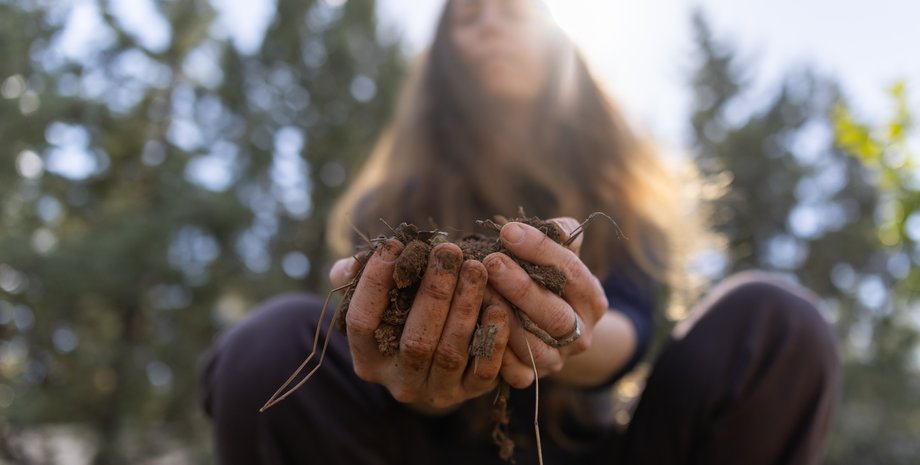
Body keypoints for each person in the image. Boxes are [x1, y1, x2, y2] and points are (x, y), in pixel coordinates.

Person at [200, 0, 840, 464]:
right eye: (469, 16)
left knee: (775, 324)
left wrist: (566, 334)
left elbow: (631, 327)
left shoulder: (621, 195)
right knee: (268, 343)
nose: (492, 21)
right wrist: (420, 372)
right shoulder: (393, 202)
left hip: (586, 449)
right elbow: (383, 351)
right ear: (446, 61)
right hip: (419, 448)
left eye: (512, 8)